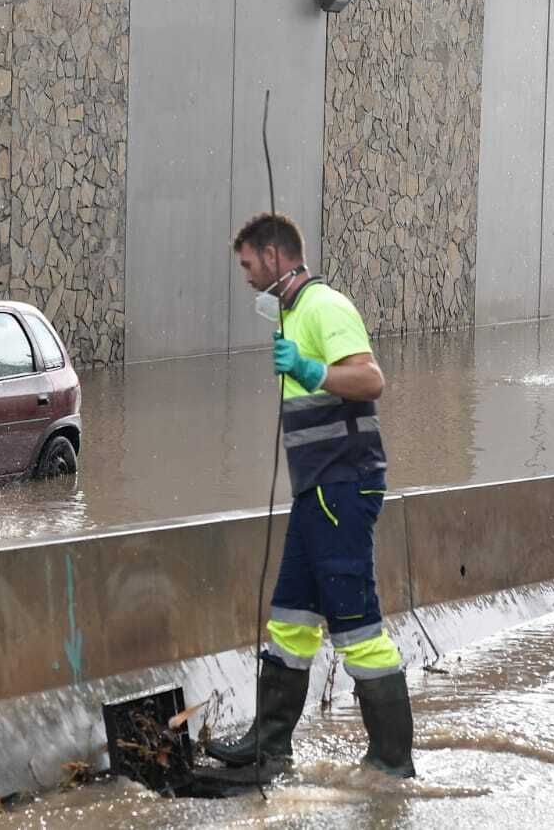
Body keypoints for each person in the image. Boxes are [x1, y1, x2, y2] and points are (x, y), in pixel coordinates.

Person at [205, 212, 415, 778]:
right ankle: (269, 749)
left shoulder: (325, 307)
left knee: (357, 627)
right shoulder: (291, 315)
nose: (247, 277)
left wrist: (309, 368)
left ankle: (391, 764)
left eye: (248, 265)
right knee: (291, 619)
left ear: (274, 257)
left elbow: (370, 380)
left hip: (342, 487)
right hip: (316, 492)